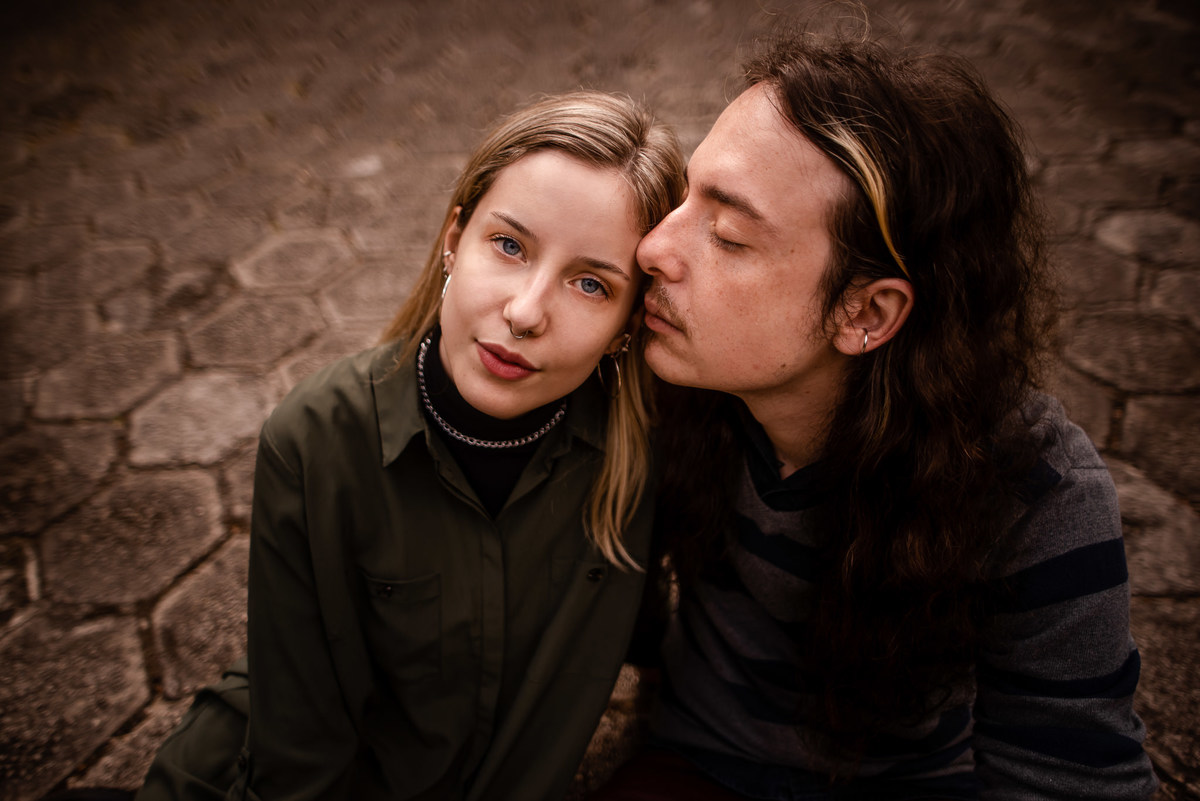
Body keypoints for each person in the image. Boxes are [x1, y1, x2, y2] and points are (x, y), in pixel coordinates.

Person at [593, 30, 1160, 801]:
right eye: (687, 198)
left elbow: (1069, 778)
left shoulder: (1036, 496)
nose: (654, 247)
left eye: (727, 235)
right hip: (696, 764)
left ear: (865, 312)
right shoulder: (658, 380)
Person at [133, 90, 686, 801]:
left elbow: (651, 632)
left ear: (626, 324)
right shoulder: (316, 440)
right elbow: (299, 748)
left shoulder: (642, 447)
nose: (524, 313)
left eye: (589, 283)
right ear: (454, 238)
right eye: (509, 245)